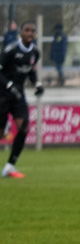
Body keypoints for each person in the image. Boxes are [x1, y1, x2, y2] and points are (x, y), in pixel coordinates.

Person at [1, 22, 44, 179]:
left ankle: (9, 167)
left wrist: (37, 84)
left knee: (24, 128)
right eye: (27, 30)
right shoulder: (10, 50)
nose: (30, 33)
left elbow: (31, 72)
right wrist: (9, 85)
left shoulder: (35, 53)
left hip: (18, 96)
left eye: (33, 31)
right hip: (2, 95)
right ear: (21, 32)